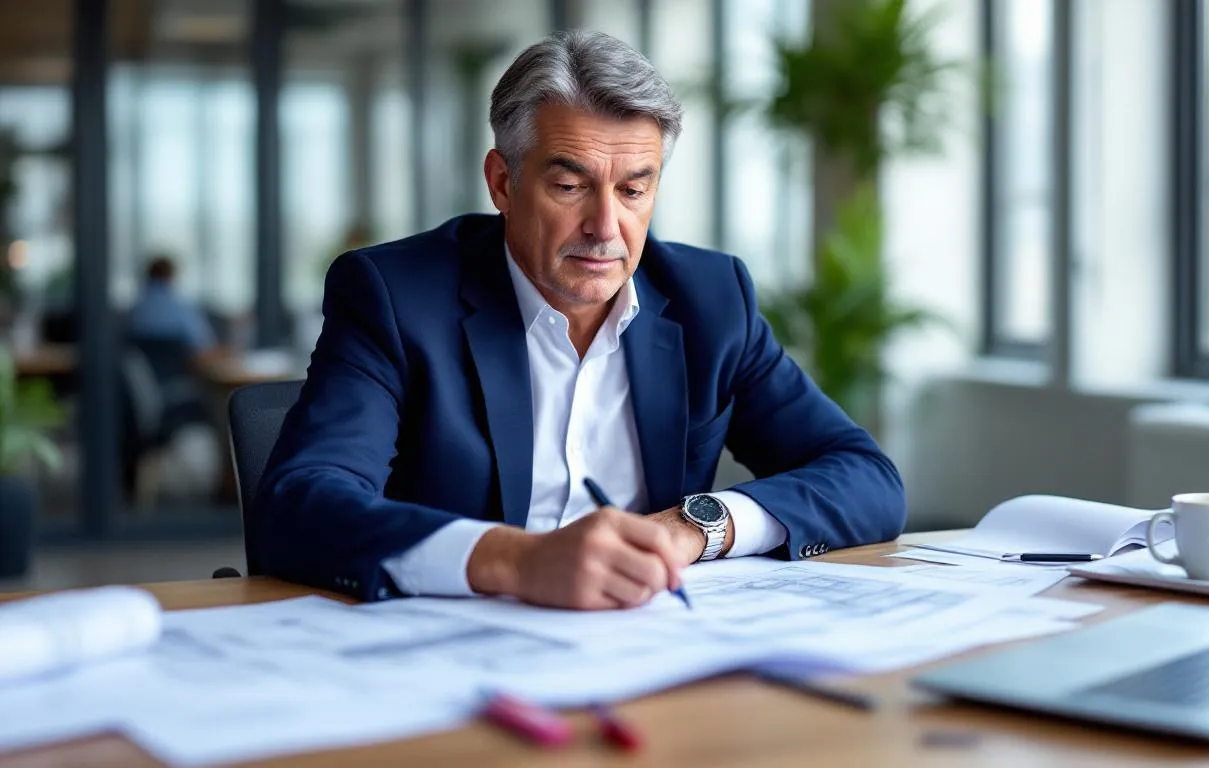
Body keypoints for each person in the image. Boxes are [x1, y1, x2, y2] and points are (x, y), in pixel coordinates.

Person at [255, 31, 906, 609]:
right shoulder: (396, 296)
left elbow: (865, 477)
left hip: (649, 643)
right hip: (458, 649)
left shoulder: (710, 300)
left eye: (633, 190)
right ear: (502, 183)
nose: (605, 228)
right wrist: (518, 561)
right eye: (570, 187)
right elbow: (299, 504)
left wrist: (694, 526)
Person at [126, 255, 220, 359]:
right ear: (170, 276)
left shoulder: (137, 308)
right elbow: (202, 342)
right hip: (181, 365)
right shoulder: (180, 306)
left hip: (145, 367)